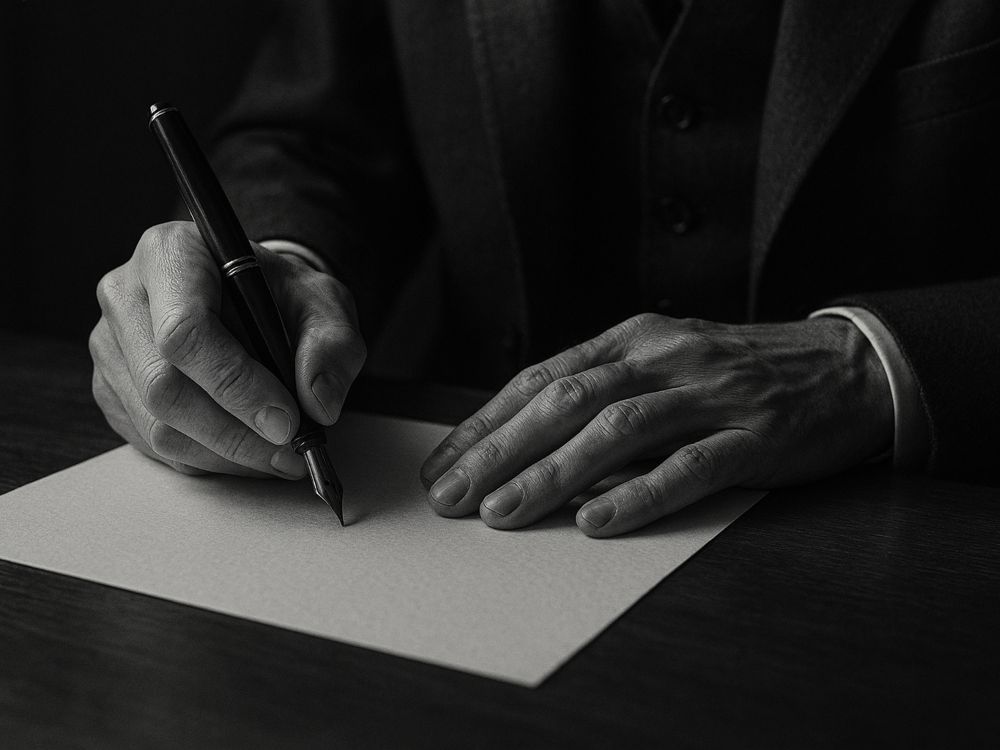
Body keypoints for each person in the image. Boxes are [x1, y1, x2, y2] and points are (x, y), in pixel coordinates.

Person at [89, 1, 1000, 537]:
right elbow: (313, 133)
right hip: (468, 505)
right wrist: (267, 274)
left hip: (904, 535)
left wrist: (868, 365)